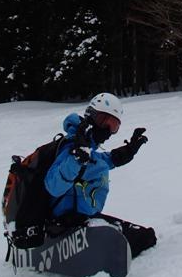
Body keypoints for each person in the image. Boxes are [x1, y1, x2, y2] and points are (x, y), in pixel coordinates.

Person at [44, 92, 156, 258]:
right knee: (141, 239)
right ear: (91, 117)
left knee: (144, 237)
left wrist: (128, 151)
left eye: (113, 126)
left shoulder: (87, 149)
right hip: (65, 223)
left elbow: (101, 162)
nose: (107, 130)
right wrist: (76, 159)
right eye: (104, 121)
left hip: (82, 218)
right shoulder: (72, 147)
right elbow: (53, 186)